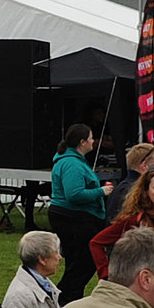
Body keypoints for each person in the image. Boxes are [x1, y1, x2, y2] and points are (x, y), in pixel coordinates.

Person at [87, 158, 154, 283]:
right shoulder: (134, 220)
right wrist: (107, 275)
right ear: (146, 191)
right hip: (144, 287)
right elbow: (96, 243)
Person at [49, 125, 107, 298]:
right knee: (82, 264)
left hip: (76, 217)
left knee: (79, 264)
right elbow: (74, 194)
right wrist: (101, 192)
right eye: (90, 138)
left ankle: (67, 298)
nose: (93, 141)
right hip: (74, 218)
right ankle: (65, 299)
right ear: (82, 142)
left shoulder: (74, 161)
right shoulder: (71, 163)